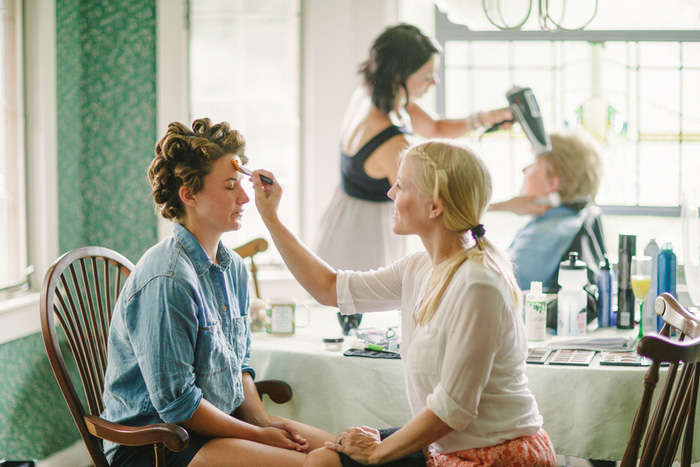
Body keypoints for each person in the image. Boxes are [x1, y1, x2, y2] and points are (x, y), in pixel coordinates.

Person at [251, 139, 557, 466]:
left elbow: (453, 407)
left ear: (434, 207)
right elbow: (329, 289)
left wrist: (380, 450)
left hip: (493, 454)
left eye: (401, 186)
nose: (390, 193)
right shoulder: (419, 266)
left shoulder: (478, 283)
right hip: (446, 444)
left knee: (323, 461)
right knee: (323, 455)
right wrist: (271, 218)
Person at [101, 118, 335, 467]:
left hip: (215, 429)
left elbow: (237, 362)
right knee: (316, 465)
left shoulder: (233, 268)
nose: (244, 197)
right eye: (229, 187)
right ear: (189, 195)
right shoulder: (168, 279)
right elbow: (178, 405)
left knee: (340, 451)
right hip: (156, 443)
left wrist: (262, 419)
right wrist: (257, 436)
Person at [315, 23, 512, 273]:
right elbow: (423, 202)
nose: (435, 82)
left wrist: (484, 118)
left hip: (341, 220)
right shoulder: (390, 141)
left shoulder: (375, 97)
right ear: (399, 77)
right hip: (361, 240)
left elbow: (436, 128)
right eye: (427, 76)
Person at [490, 129, 605, 292]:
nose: (525, 169)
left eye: (535, 164)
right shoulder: (569, 219)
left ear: (552, 183)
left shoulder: (545, 235)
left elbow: (491, 286)